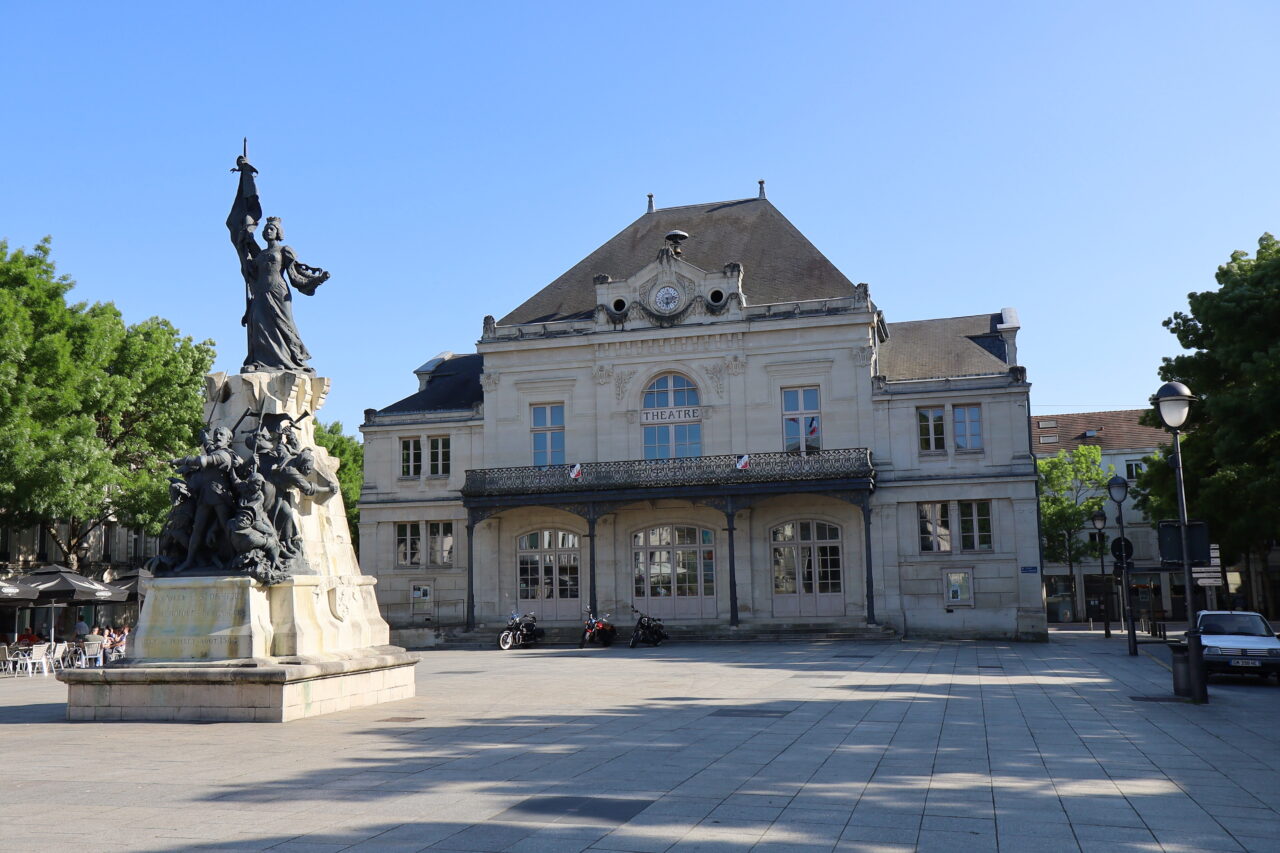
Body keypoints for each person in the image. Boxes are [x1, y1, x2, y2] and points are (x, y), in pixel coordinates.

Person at [227, 154, 329, 374]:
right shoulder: (260, 252)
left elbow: (295, 275)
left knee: (282, 324)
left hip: (277, 291)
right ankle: (259, 361)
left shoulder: (284, 250)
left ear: (279, 232)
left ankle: (293, 360)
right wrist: (244, 239)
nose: (267, 230)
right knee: (259, 326)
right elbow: (246, 251)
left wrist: (316, 280)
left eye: (271, 228)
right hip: (261, 292)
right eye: (265, 228)